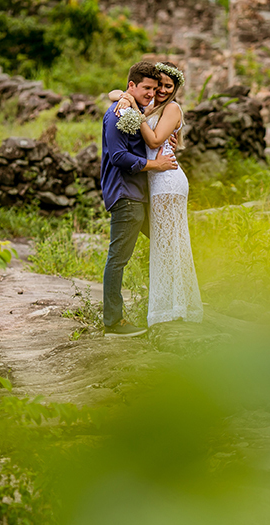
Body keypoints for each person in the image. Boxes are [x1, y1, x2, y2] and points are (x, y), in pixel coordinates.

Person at [113, 61, 204, 327]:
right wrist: (125, 97)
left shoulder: (172, 108)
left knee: (168, 245)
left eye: (168, 86)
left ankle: (174, 309)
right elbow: (115, 94)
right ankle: (171, 306)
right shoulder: (152, 107)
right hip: (156, 178)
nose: (162, 90)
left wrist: (135, 113)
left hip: (167, 179)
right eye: (159, 85)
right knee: (165, 245)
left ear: (175, 89)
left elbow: (153, 141)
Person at [101, 61, 178, 338]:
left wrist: (123, 95)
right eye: (146, 88)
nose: (151, 93)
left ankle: (171, 304)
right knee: (118, 258)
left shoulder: (133, 107)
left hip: (141, 195)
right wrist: (154, 165)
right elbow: (118, 157)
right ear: (132, 86)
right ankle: (113, 322)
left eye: (155, 88)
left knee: (167, 244)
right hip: (126, 195)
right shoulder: (117, 114)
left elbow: (124, 98)